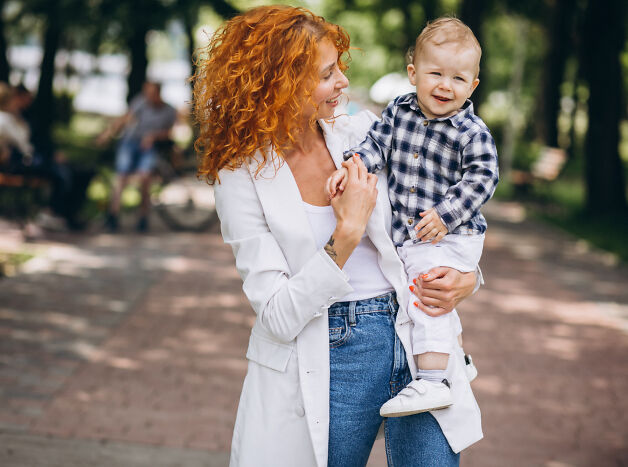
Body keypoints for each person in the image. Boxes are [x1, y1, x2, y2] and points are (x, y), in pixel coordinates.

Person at [194, 6, 482, 467]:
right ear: (281, 85)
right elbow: (276, 315)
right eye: (328, 74)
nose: (343, 82)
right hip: (332, 354)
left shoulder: (361, 131)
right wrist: (345, 234)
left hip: (413, 337)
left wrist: (467, 277)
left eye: (339, 68)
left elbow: (432, 209)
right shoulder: (240, 177)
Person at [326, 17, 498, 418]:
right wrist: (350, 167)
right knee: (416, 288)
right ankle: (455, 359)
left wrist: (446, 214)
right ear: (413, 74)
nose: (444, 86)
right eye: (435, 73)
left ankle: (433, 382)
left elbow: (484, 177)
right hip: (417, 234)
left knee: (425, 296)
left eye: (458, 79)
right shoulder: (398, 113)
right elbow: (375, 148)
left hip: (452, 231)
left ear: (472, 85)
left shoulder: (471, 132)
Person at [0, 82, 92, 231]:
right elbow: (22, 142)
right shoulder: (1, 118)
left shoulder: (5, 117)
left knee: (69, 170)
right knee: (61, 173)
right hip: (16, 165)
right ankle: (54, 213)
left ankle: (63, 214)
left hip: (19, 162)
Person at [97, 81, 177, 232]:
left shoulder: (169, 111)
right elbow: (126, 118)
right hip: (130, 142)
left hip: (149, 147)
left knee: (145, 177)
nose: (148, 97)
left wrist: (153, 136)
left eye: (151, 94)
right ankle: (113, 215)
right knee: (121, 177)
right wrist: (107, 134)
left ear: (158, 93)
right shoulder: (140, 102)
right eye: (146, 93)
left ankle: (143, 217)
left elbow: (170, 132)